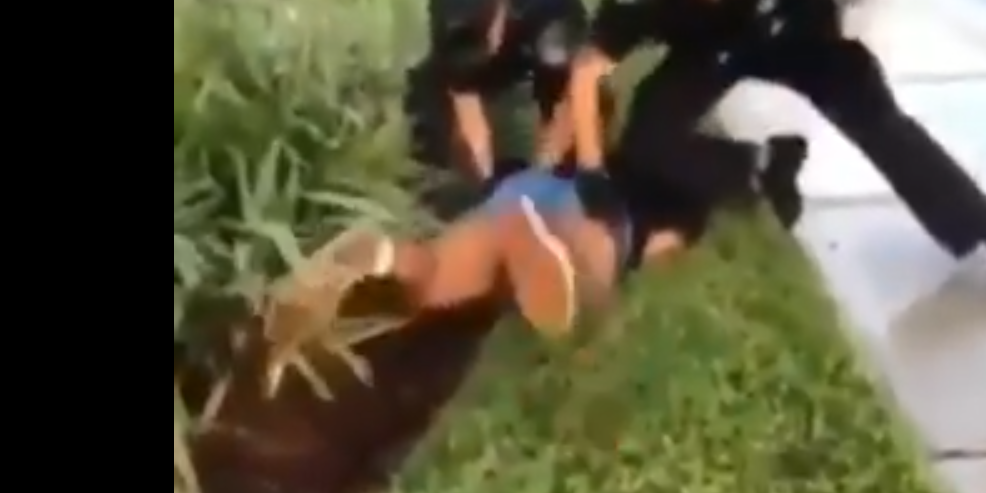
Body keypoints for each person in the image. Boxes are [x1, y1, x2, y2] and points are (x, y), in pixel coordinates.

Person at [562, 0, 986, 302]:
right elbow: (589, 66)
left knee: (878, 121)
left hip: (795, 31)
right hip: (711, 45)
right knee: (647, 135)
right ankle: (764, 166)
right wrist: (591, 174)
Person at [259, 155, 743, 392]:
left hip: (532, 200)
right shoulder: (658, 213)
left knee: (453, 263)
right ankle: (379, 268)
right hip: (565, 208)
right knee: (502, 250)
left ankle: (381, 265)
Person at [403, 0, 613, 208]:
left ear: (500, 11)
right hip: (501, 70)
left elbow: (572, 96)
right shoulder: (454, 30)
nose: (474, 54)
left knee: (576, 146)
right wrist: (486, 184)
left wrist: (540, 171)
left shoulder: (549, 10)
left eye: (480, 42)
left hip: (561, 74)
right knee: (427, 111)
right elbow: (468, 112)